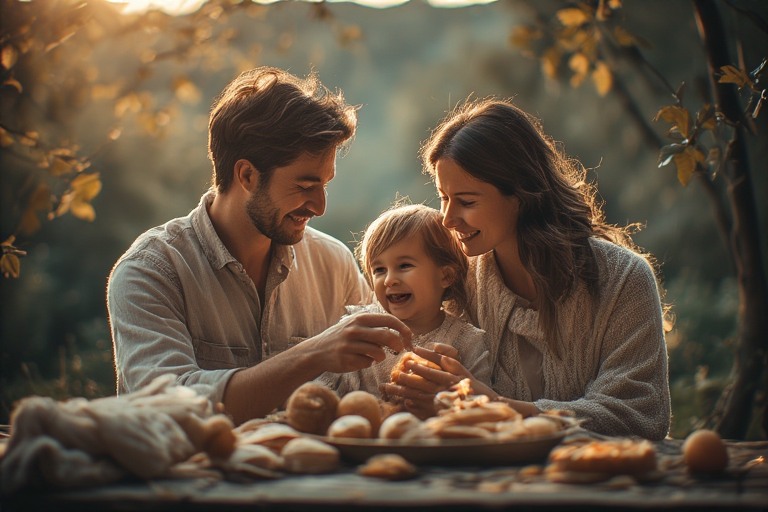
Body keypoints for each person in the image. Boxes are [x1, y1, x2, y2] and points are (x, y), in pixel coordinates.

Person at [107, 66, 411, 426]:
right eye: (304, 186)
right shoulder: (150, 272)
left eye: (324, 185)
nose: (319, 207)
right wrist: (313, 353)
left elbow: (375, 386)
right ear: (247, 175)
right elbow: (167, 407)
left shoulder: (334, 264)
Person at [382, 97, 672, 440]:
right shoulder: (459, 280)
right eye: (443, 197)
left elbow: (639, 415)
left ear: (521, 194)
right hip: (487, 485)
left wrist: (494, 406)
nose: (447, 218)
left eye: (467, 201)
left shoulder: (625, 279)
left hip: (598, 481)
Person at [318, 203, 490, 417]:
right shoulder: (360, 328)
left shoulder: (467, 342)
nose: (389, 280)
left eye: (404, 266)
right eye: (379, 270)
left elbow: (481, 406)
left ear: (445, 276)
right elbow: (323, 390)